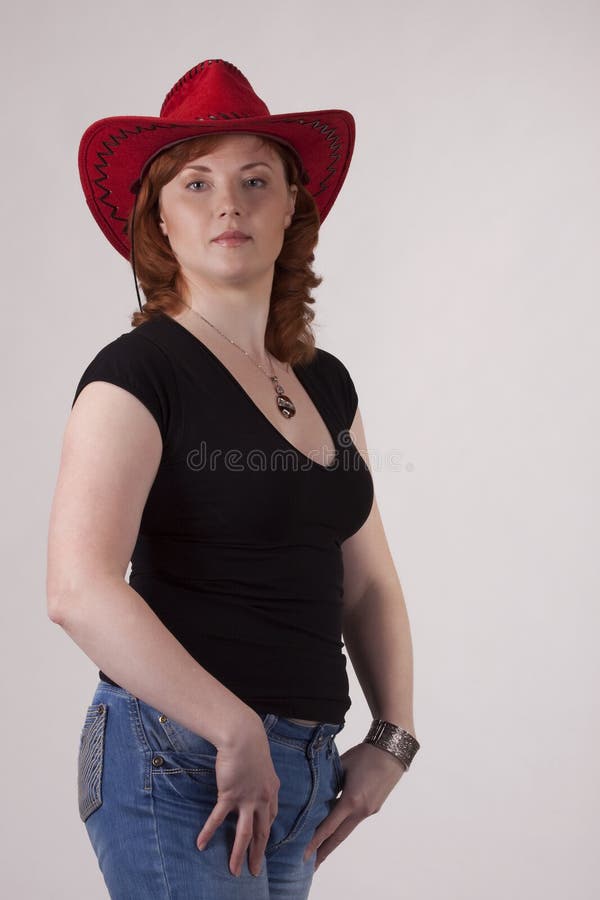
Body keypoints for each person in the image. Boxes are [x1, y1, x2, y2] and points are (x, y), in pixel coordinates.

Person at [46, 58, 420, 899]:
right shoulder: (135, 375)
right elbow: (78, 587)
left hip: (301, 774)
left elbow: (368, 584)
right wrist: (233, 728)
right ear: (159, 223)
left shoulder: (326, 382)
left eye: (257, 180)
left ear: (293, 210)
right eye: (196, 182)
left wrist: (391, 739)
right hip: (181, 765)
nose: (229, 203)